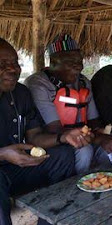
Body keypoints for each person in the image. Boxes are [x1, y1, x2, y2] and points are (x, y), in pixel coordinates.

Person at [0, 38, 87, 225]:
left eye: (15, 63)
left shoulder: (20, 94)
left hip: (15, 169)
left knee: (62, 156)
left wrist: (63, 137)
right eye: (3, 64)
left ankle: (52, 220)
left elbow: (35, 137)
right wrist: (3, 154)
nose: (13, 69)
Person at [25, 34, 112, 174]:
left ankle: (104, 181)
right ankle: (76, 189)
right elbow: (54, 129)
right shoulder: (38, 84)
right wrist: (98, 138)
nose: (78, 66)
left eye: (79, 60)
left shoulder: (84, 82)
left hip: (84, 136)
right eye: (70, 60)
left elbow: (93, 121)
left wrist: (101, 133)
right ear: (53, 61)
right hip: (54, 141)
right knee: (84, 150)